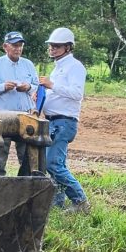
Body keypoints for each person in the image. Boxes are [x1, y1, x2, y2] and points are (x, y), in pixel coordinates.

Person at [39, 27, 90, 214]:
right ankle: (57, 202)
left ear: (68, 47)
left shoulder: (75, 67)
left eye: (57, 46)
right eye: (51, 46)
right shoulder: (58, 68)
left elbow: (77, 94)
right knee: (53, 163)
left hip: (64, 122)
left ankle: (80, 201)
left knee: (53, 163)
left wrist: (51, 85)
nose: (52, 49)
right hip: (53, 121)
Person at [0, 31, 39, 176]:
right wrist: (2, 87)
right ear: (5, 46)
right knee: (0, 152)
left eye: (20, 45)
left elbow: (37, 86)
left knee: (26, 154)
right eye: (14, 46)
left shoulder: (28, 64)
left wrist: (28, 87)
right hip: (2, 116)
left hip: (25, 115)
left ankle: (25, 183)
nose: (18, 49)